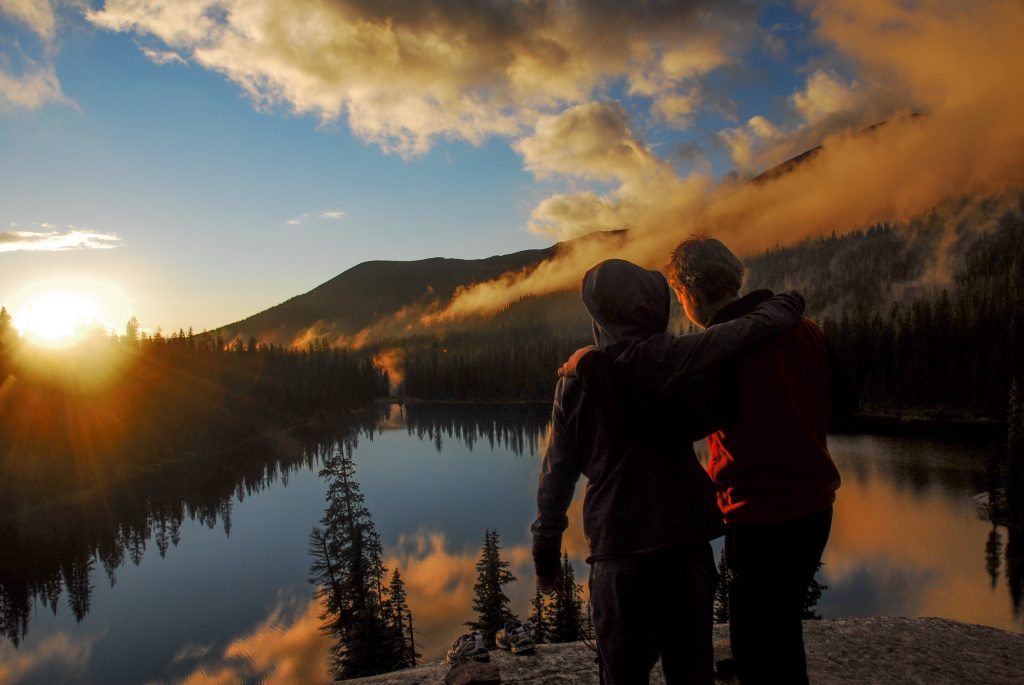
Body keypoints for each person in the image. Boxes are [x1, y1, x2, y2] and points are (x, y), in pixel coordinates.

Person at [531, 258, 807, 685]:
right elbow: (741, 339)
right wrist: (787, 304)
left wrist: (546, 552)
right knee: (691, 672)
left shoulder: (573, 381)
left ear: (597, 313)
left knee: (622, 676)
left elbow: (557, 475)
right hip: (684, 547)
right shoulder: (673, 358)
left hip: (617, 554)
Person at [666, 236, 856, 685]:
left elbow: (678, 423)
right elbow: (847, 402)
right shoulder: (805, 328)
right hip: (815, 510)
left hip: (759, 518)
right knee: (781, 630)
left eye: (679, 296)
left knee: (759, 642)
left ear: (690, 294)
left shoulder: (721, 349)